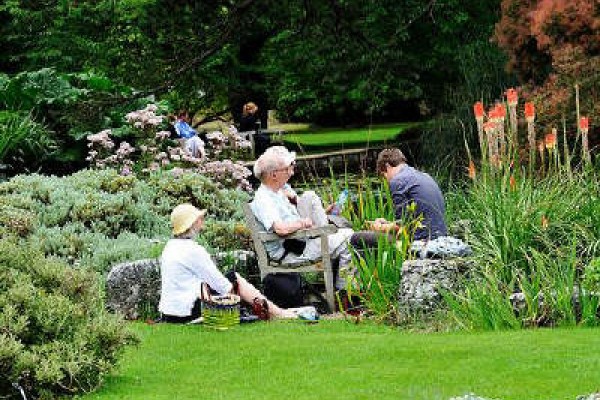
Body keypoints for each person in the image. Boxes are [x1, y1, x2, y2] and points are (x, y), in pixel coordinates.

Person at [159, 203, 301, 323]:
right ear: (194, 223)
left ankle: (274, 311)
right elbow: (221, 285)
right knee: (234, 278)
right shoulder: (193, 250)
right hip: (188, 312)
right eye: (200, 219)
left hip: (169, 314)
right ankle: (278, 313)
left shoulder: (169, 247)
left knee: (232, 281)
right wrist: (239, 294)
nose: (202, 222)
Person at [250, 146, 355, 290]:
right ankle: (346, 292)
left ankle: (344, 290)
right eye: (286, 169)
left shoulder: (276, 193)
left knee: (343, 234)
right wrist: (302, 223)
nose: (290, 173)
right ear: (274, 174)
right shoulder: (264, 199)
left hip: (298, 243)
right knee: (349, 239)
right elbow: (280, 228)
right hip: (291, 252)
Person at [357, 148, 447, 245]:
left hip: (423, 241)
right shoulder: (424, 175)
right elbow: (407, 220)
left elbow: (402, 228)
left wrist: (379, 228)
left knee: (357, 238)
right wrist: (388, 224)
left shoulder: (397, 181)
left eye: (384, 176)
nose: (386, 181)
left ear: (387, 166)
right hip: (440, 236)